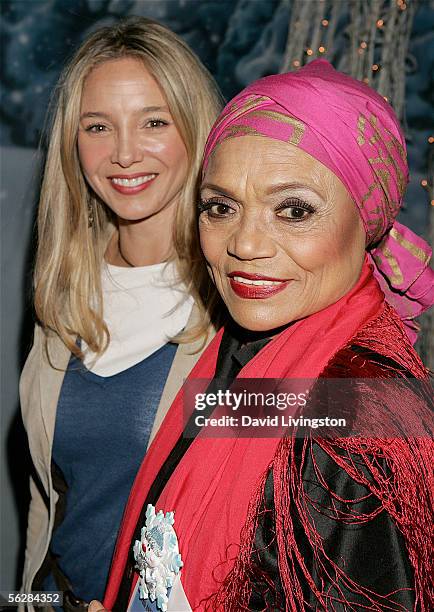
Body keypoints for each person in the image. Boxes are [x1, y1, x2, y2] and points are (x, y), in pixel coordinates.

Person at [100, 60, 434, 612]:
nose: (245, 245)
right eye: (221, 207)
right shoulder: (244, 351)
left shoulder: (361, 418)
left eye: (294, 210)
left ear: (367, 222)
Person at [19, 16, 222, 610]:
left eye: (154, 121)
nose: (125, 153)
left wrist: (362, 300)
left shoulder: (242, 294)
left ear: (196, 128)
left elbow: (361, 426)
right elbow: (49, 512)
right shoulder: (64, 290)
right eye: (98, 126)